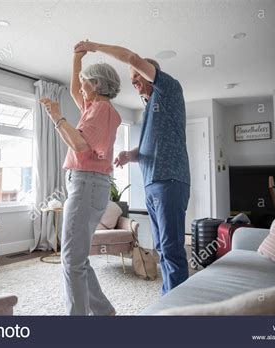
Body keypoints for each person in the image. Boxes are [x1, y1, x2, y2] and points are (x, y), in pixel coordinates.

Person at [74, 40, 190, 295]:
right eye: (131, 77)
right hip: (153, 182)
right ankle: (168, 297)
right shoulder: (149, 107)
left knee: (171, 248)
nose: (134, 80)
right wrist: (130, 155)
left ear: (151, 73)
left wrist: (93, 46)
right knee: (161, 246)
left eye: (137, 75)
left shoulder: (167, 90)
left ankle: (180, 306)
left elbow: (131, 57)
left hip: (169, 180)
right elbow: (151, 148)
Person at [39, 48, 122, 315]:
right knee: (77, 258)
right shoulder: (95, 106)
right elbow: (76, 90)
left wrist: (56, 115)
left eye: (86, 82)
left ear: (96, 84)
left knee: (71, 260)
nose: (81, 89)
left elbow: (78, 143)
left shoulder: (101, 109)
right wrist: (77, 59)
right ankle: (104, 312)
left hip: (87, 184)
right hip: (87, 184)